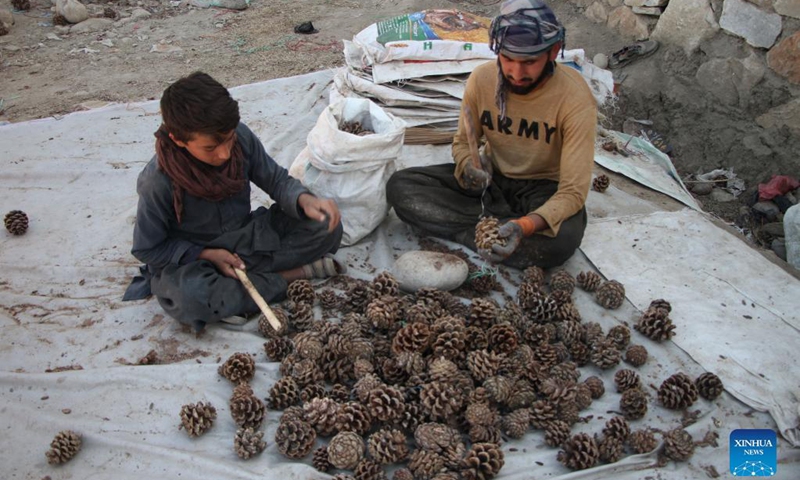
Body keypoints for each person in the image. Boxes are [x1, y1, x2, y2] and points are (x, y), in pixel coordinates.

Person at [124, 72, 344, 331]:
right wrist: (205, 254)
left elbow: (274, 179)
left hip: (245, 240)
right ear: (178, 139)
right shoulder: (157, 182)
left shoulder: (240, 136)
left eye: (228, 140)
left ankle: (240, 293)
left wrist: (303, 200)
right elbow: (147, 249)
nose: (224, 153)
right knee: (190, 297)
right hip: (198, 260)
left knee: (326, 224)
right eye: (210, 148)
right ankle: (290, 276)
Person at [387, 0, 596, 270]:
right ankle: (483, 236)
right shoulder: (482, 79)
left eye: (529, 62)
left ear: (553, 52)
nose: (516, 73)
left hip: (542, 191)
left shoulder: (575, 99)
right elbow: (463, 142)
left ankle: (490, 231)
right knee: (400, 186)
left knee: (563, 239)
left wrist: (525, 225)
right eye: (507, 59)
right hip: (491, 183)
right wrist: (468, 166)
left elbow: (573, 191)